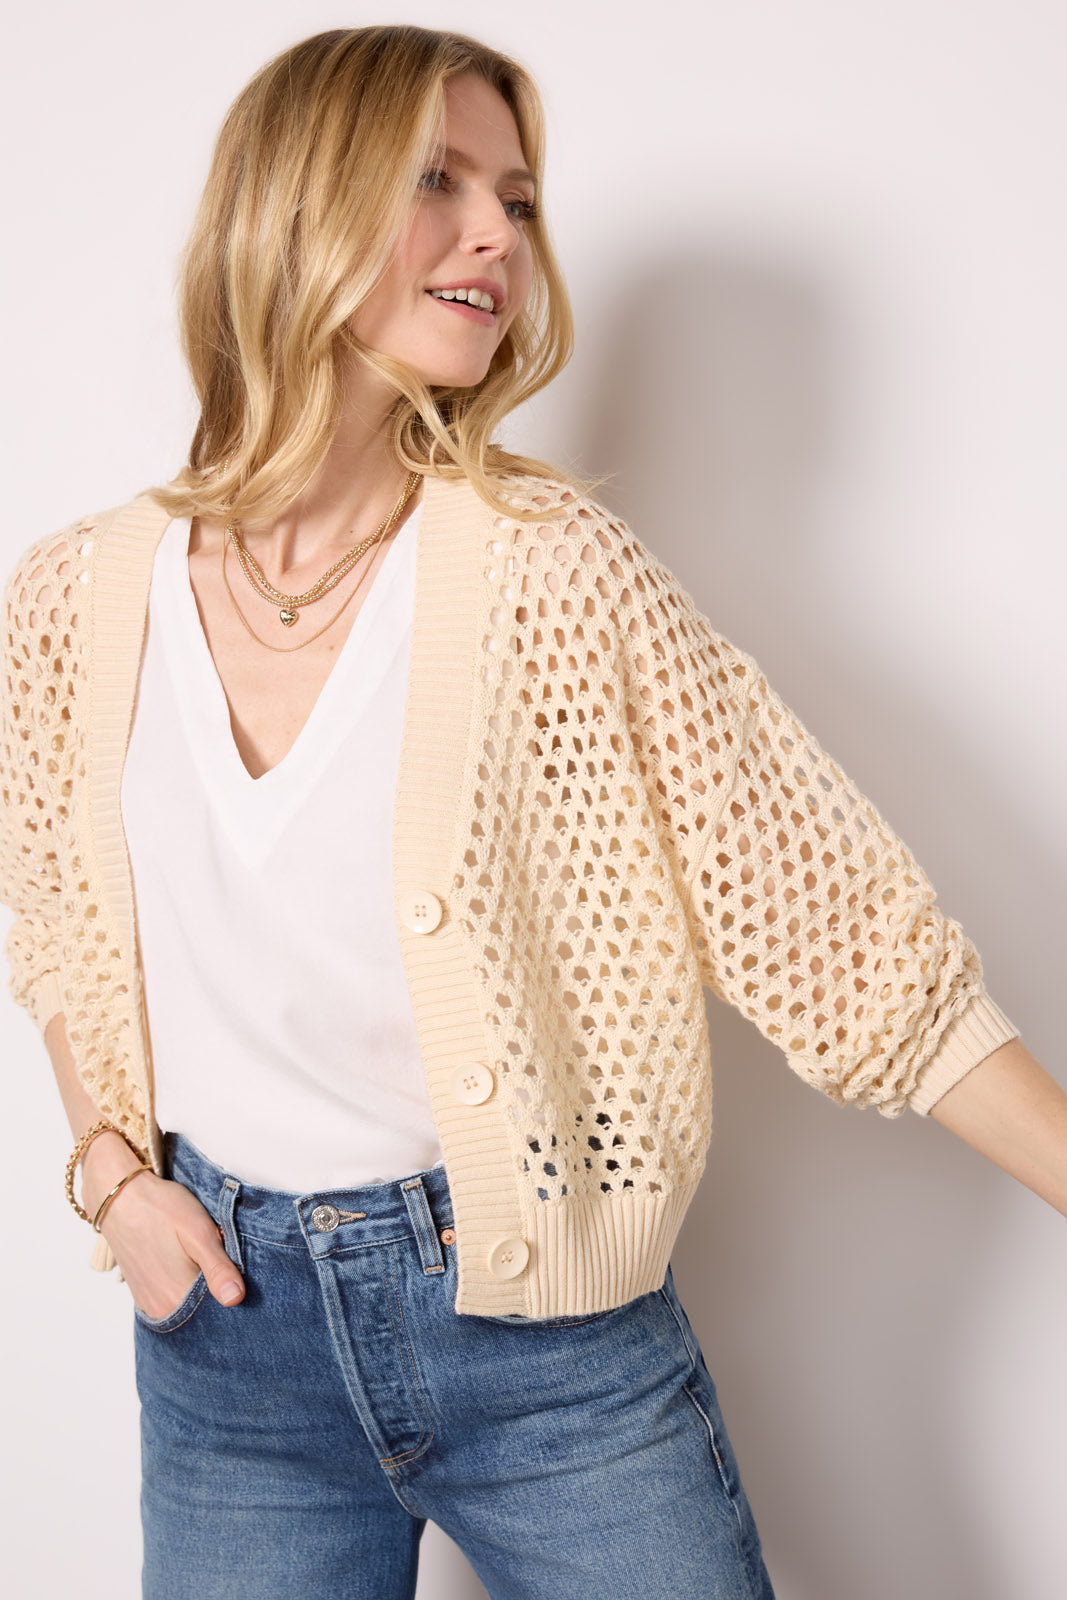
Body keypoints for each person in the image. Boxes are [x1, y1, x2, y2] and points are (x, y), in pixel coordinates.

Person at [1, 23, 1063, 1600]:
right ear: (293, 206)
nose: (498, 233)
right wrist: (111, 1178)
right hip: (227, 1352)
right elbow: (60, 922)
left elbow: (846, 942)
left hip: (553, 1360)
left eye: (517, 198)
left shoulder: (555, 575)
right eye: (437, 180)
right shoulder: (74, 599)